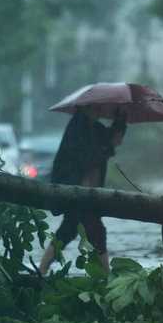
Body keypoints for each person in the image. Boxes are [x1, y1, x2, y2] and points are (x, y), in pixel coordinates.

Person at [38, 104, 127, 274]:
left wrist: (120, 117)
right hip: (73, 190)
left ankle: (41, 270)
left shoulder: (95, 127)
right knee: (96, 230)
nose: (99, 111)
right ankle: (106, 276)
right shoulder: (77, 128)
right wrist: (106, 148)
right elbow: (84, 157)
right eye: (95, 108)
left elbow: (111, 138)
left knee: (68, 229)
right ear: (84, 108)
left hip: (85, 191)